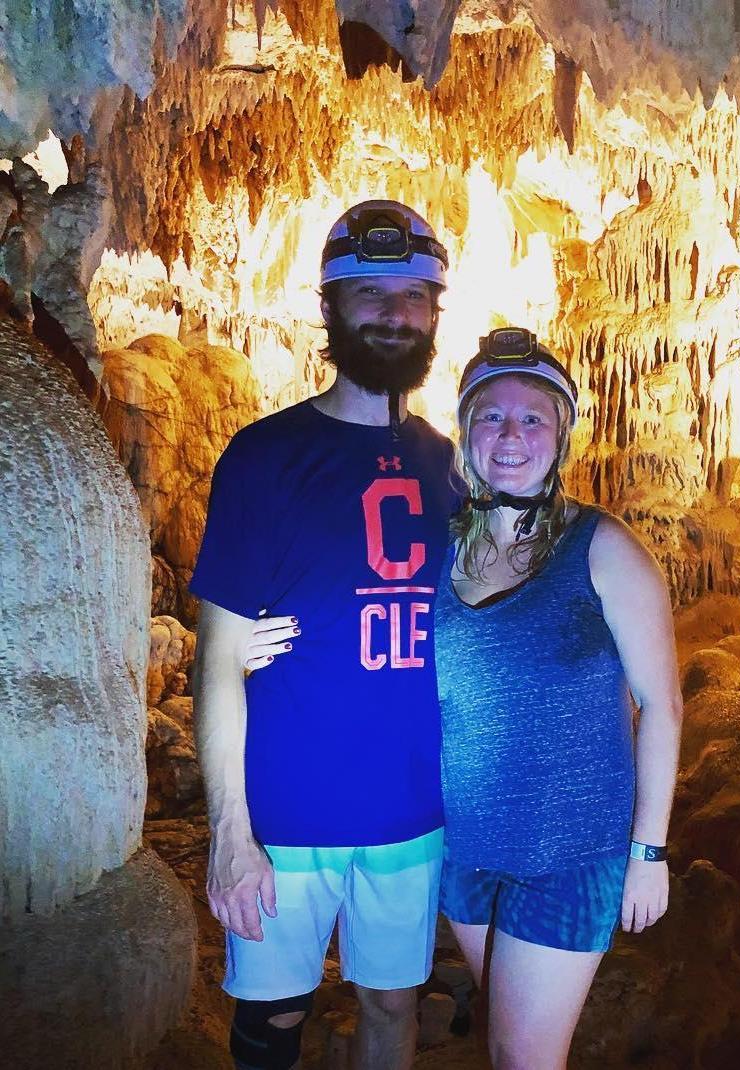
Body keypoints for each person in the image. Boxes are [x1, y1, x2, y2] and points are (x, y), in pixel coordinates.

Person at [190, 199, 462, 1070]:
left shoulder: (451, 465)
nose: (393, 313)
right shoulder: (263, 457)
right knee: (272, 1020)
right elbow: (218, 664)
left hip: (413, 813)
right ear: (330, 306)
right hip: (285, 814)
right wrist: (231, 834)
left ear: (433, 313)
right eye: (370, 294)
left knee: (391, 1004)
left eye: (414, 296)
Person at [434, 328, 683, 1069]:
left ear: (561, 435)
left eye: (532, 418)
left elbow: (663, 706)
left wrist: (650, 852)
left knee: (525, 1059)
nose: (510, 436)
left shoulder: (603, 549)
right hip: (465, 850)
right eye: (491, 416)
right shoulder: (443, 552)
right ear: (467, 431)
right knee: (500, 1041)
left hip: (571, 854)